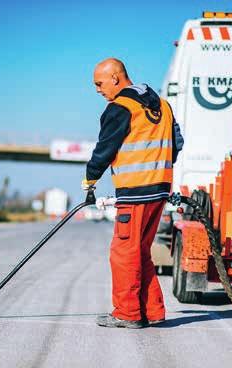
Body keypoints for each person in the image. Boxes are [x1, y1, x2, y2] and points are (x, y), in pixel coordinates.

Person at [82, 58, 183, 328]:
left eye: (99, 84)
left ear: (115, 78)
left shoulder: (119, 108)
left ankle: (127, 314)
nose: (98, 90)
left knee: (123, 252)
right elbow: (178, 143)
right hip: (160, 190)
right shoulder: (163, 105)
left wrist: (90, 180)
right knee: (140, 251)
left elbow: (105, 149)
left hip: (135, 192)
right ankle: (152, 311)